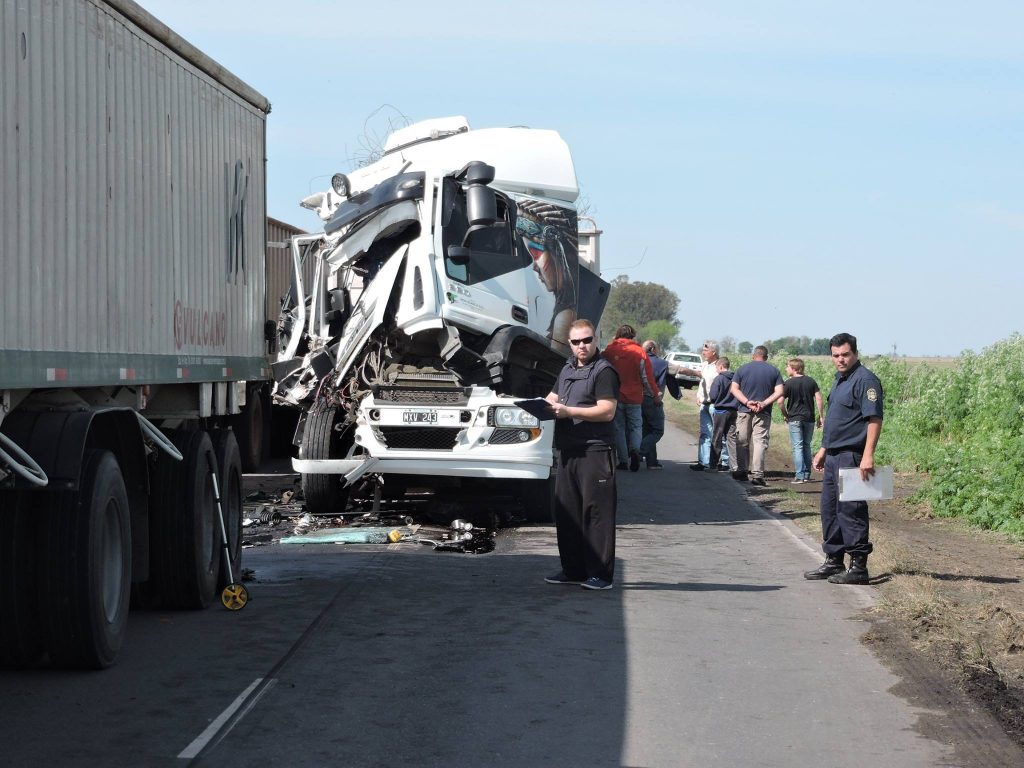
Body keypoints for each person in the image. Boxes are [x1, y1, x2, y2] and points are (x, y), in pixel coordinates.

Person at [543, 319, 620, 590]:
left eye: (586, 340)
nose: (581, 346)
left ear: (596, 339)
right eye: (576, 342)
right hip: (568, 450)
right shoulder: (566, 368)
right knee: (568, 514)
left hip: (595, 451)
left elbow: (607, 410)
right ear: (569, 344)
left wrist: (570, 412)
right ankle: (573, 570)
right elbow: (553, 397)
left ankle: (600, 575)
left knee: (596, 514)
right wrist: (541, 405)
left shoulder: (604, 371)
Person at [804, 333, 884, 585]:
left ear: (855, 354)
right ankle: (833, 561)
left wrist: (868, 456)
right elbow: (838, 420)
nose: (840, 359)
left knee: (851, 510)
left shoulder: (866, 381)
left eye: (845, 354)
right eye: (836, 355)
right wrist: (824, 449)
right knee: (830, 510)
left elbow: (874, 420)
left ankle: (858, 567)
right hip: (833, 455)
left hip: (853, 455)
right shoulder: (840, 380)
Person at [603, 325, 660, 472]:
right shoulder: (639, 352)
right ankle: (635, 450)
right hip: (634, 397)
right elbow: (647, 378)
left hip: (615, 396)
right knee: (636, 427)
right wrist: (655, 395)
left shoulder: (609, 351)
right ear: (632, 336)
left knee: (619, 429)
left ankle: (623, 461)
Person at [729, 345, 784, 486]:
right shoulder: (774, 371)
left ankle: (742, 471)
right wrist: (764, 403)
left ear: (753, 356)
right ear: (766, 357)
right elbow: (779, 391)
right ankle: (758, 475)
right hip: (763, 412)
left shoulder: (742, 369)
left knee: (742, 441)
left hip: (744, 410)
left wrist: (747, 402)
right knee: (760, 442)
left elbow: (734, 389)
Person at [779, 358, 824, 484]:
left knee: (797, 446)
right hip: (809, 418)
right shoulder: (811, 381)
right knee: (806, 446)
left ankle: (799, 476)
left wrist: (786, 415)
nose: (786, 369)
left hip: (794, 418)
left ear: (794, 368)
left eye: (788, 366)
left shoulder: (788, 383)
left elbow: (780, 402)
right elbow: (819, 399)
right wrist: (821, 416)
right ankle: (807, 474)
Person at [640, 340, 681, 469]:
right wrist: (698, 373)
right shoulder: (662, 363)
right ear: (652, 349)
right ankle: (637, 451)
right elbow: (680, 370)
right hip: (653, 399)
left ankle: (652, 462)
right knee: (658, 430)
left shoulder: (638, 361)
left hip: (637, 400)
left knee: (647, 431)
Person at [692, 340, 726, 471]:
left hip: (715, 405)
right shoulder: (705, 364)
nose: (703, 352)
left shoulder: (719, 366)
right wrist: (698, 396)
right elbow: (703, 382)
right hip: (704, 404)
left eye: (706, 350)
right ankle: (704, 461)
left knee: (719, 434)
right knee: (705, 433)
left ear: (714, 352)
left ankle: (723, 461)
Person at [708, 357, 739, 472]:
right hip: (733, 411)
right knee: (731, 439)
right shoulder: (736, 378)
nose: (716, 370)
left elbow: (713, 396)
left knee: (717, 437)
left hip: (721, 411)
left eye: (716, 367)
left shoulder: (719, 379)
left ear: (721, 366)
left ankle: (713, 465)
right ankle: (735, 466)